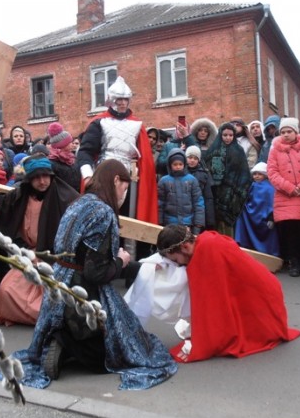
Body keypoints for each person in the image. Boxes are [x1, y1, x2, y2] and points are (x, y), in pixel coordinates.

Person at [11, 160, 177, 390]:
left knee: (119, 333)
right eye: (125, 188)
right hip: (82, 289)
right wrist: (122, 260)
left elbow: (85, 258)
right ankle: (64, 345)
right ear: (116, 180)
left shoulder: (80, 202)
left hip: (60, 283)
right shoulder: (103, 212)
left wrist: (140, 266)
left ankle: (59, 338)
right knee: (124, 349)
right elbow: (96, 271)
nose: (124, 194)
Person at [156, 225, 300, 363]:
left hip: (261, 299)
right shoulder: (205, 241)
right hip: (266, 289)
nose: (178, 264)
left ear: (185, 247)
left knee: (244, 335)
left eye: (176, 260)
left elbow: (211, 300)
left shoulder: (206, 251)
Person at [0, 154, 79, 325]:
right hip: (31, 256)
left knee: (60, 300)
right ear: (29, 179)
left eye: (45, 175)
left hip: (59, 260)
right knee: (7, 291)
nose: (42, 181)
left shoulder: (67, 197)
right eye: (36, 177)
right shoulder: (19, 197)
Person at [76, 77, 157, 225]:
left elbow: (144, 159)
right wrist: (88, 177)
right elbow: (85, 152)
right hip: (103, 177)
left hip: (130, 178)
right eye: (119, 99)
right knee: (100, 219)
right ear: (111, 99)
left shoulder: (137, 125)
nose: (123, 103)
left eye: (126, 99)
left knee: (128, 221)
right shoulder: (98, 122)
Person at [267, 117, 300, 277]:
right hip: (286, 197)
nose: (286, 134)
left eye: (289, 131)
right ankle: (293, 263)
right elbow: (272, 172)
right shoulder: (275, 150)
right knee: (289, 231)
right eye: (283, 132)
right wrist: (290, 188)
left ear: (296, 132)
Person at [203, 122, 251, 237]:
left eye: (231, 135)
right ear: (220, 135)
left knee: (228, 227)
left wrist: (235, 190)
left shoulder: (238, 151)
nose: (228, 138)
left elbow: (244, 173)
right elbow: (206, 168)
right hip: (215, 192)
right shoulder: (213, 149)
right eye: (225, 135)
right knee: (215, 223)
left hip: (232, 193)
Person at [234, 162, 279, 256]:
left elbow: (272, 203)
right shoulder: (252, 186)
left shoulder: (270, 188)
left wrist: (272, 217)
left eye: (259, 174)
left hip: (265, 217)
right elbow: (246, 199)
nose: (257, 176)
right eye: (255, 174)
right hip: (252, 216)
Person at [158, 149, 205, 233]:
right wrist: (159, 221)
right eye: (175, 164)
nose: (178, 167)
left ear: (184, 164)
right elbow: (160, 203)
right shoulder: (164, 181)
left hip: (187, 223)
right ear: (170, 165)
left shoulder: (191, 180)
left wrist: (198, 223)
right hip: (169, 223)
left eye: (180, 164)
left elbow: (198, 202)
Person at [184, 145, 216, 230]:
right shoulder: (181, 172)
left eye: (195, 158)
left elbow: (208, 198)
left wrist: (210, 220)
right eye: (190, 157)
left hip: (198, 211)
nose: (192, 160)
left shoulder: (204, 174)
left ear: (199, 160)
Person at [46, 122, 81, 191]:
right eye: (70, 142)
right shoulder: (52, 162)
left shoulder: (73, 158)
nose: (73, 145)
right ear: (62, 145)